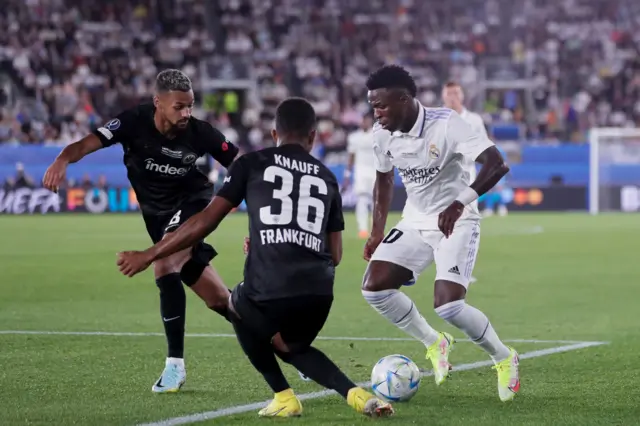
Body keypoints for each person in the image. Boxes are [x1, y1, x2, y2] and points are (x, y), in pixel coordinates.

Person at [115, 97, 394, 419]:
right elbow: (336, 255)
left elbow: (206, 220)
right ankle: (357, 395)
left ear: (275, 134)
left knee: (235, 306)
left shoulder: (251, 163)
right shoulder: (326, 177)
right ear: (313, 137)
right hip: (319, 293)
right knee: (292, 347)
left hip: (271, 284)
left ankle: (284, 396)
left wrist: (150, 254)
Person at [42, 69, 239, 393]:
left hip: (193, 205)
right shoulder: (132, 122)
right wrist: (63, 159)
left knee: (163, 263)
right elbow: (88, 143)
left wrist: (232, 197)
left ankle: (174, 366)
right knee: (221, 301)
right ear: (157, 103)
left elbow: (239, 162)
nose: (186, 113)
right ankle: (285, 345)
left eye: (189, 106)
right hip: (159, 220)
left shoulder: (201, 133)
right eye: (179, 107)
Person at [361, 65, 520, 402]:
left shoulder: (447, 123)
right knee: (374, 289)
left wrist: (460, 203)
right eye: (373, 106)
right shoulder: (382, 133)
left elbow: (497, 163)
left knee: (448, 307)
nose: (376, 113)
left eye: (382, 106)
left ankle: (503, 357)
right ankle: (435, 342)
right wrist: (377, 232)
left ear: (404, 99)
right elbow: (384, 179)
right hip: (416, 220)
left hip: (457, 220)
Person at [442, 81, 510, 217]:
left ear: (462, 96)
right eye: (449, 93)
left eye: (455, 93)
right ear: (443, 96)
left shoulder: (474, 120)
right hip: (440, 179)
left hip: (467, 177)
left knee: (467, 221)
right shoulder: (434, 119)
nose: (452, 97)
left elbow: (486, 150)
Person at [343, 113, 376, 238]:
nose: (364, 122)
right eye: (363, 120)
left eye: (366, 120)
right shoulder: (354, 137)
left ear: (370, 121)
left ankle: (375, 229)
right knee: (362, 200)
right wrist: (347, 175)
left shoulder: (377, 135)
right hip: (361, 173)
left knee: (376, 201)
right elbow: (351, 157)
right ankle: (363, 229)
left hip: (375, 172)